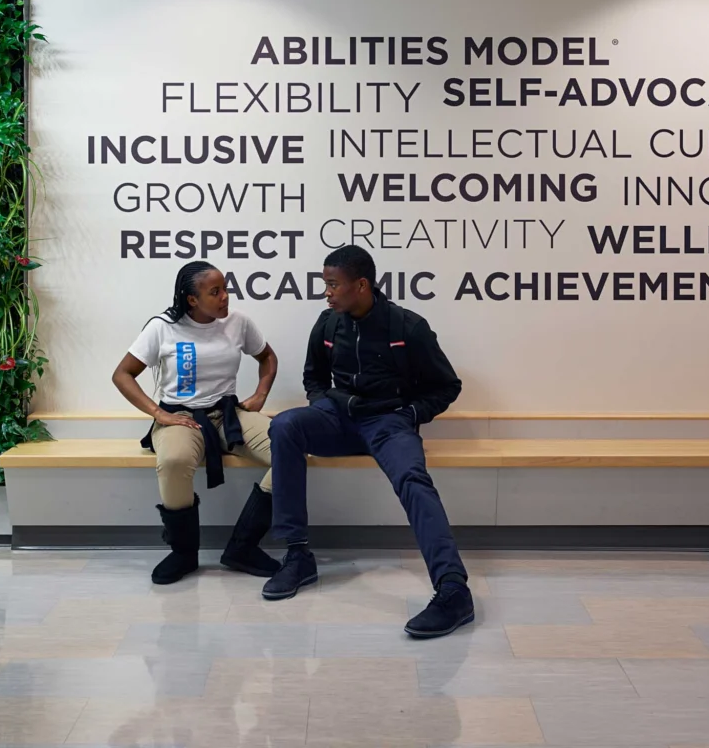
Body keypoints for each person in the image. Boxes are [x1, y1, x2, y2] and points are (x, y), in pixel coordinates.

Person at [262, 245, 473, 638]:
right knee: (285, 426)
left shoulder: (408, 327)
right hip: (339, 420)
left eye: (333, 285)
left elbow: (447, 386)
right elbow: (314, 377)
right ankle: (297, 554)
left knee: (413, 479)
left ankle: (453, 590)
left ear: (361, 285)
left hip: (388, 424)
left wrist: (409, 415)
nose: (327, 292)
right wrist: (324, 404)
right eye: (325, 284)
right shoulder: (328, 325)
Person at [112, 260, 281, 586]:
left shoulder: (239, 323)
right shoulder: (163, 327)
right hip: (182, 418)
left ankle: (243, 547)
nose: (225, 297)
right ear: (192, 299)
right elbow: (123, 374)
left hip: (228, 415)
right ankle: (183, 553)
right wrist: (159, 414)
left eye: (225, 289)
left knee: (289, 451)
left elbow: (267, 357)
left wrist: (260, 394)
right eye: (215, 292)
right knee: (174, 461)